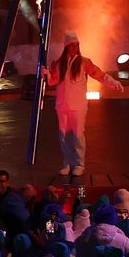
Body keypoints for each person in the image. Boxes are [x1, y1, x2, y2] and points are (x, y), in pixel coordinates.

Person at [48, 33, 91, 181]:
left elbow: (98, 74)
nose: (74, 48)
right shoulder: (58, 63)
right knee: (64, 136)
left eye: (76, 45)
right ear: (66, 46)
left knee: (78, 135)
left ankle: (79, 164)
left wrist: (111, 81)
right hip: (62, 105)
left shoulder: (84, 62)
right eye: (72, 45)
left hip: (78, 106)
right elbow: (52, 81)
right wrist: (46, 74)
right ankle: (67, 163)